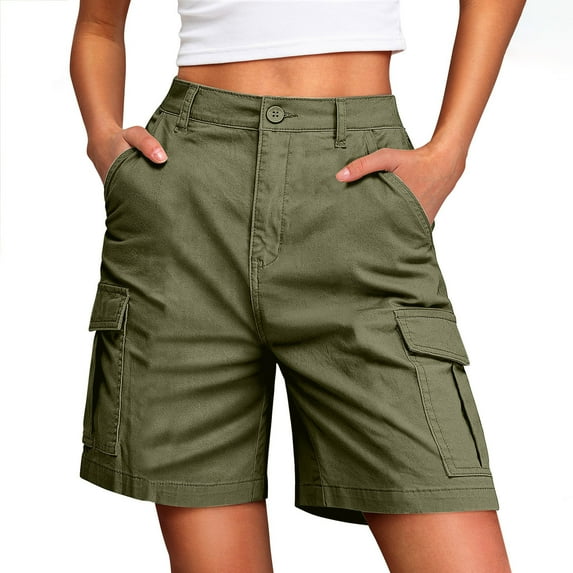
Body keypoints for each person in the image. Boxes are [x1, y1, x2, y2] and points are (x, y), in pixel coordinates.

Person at [70, 1, 525, 571]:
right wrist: (104, 139)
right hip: (187, 201)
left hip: (354, 192)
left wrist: (450, 150)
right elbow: (98, 25)